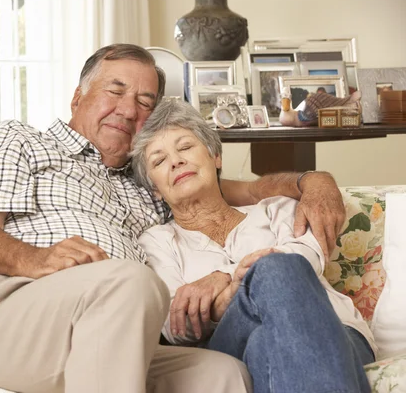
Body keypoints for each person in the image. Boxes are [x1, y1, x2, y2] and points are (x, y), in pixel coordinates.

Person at [0, 43, 345, 393]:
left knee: (222, 372)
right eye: (115, 91)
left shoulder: (149, 182)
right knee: (131, 280)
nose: (127, 109)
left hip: (115, 331)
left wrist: (314, 180)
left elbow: (239, 190)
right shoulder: (20, 140)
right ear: (77, 97)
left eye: (144, 102)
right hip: (12, 320)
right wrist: (35, 259)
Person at [131, 99, 376, 393]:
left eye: (185, 147)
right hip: (228, 342)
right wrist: (228, 300)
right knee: (273, 270)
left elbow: (308, 257)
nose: (176, 161)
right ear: (156, 189)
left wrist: (225, 278)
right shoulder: (157, 242)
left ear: (215, 156)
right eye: (159, 161)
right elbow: (174, 326)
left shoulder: (276, 209)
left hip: (336, 331)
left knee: (265, 339)